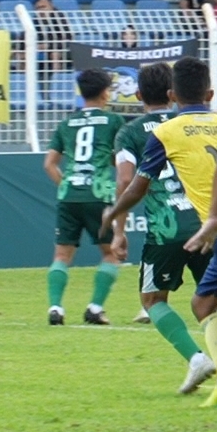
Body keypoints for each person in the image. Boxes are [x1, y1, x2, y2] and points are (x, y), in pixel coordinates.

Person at [101, 63, 217, 394]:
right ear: (172, 93)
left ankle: (197, 359)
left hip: (166, 226)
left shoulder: (131, 132)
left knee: (153, 299)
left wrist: (118, 228)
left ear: (139, 95)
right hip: (206, 221)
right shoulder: (192, 124)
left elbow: (126, 181)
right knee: (216, 295)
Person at [41, 70, 127, 327]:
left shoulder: (66, 123)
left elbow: (49, 164)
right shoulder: (113, 121)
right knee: (111, 254)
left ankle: (55, 307)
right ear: (104, 93)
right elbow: (119, 161)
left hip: (69, 194)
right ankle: (95, 307)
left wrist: (66, 184)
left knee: (62, 256)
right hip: (97, 194)